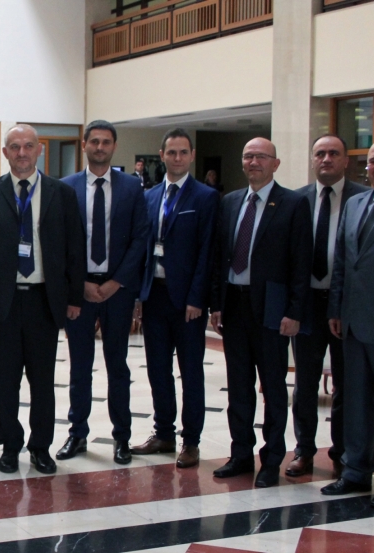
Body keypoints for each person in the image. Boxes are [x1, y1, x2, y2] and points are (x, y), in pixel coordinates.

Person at [0, 124, 85, 474]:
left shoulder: (60, 193)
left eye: (28, 146)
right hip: (4, 302)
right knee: (5, 380)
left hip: (43, 301)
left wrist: (74, 297)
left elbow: (74, 249)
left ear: (39, 151)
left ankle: (40, 447)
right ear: (4, 153)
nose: (22, 153)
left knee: (42, 380)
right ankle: (10, 446)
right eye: (15, 147)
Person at [209, 137, 311, 488]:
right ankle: (241, 454)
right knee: (238, 386)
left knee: (272, 387)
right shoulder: (230, 202)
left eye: (261, 157)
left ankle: (271, 459)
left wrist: (295, 310)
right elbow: (218, 256)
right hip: (234, 305)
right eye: (248, 156)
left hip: (272, 309)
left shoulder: (293, 204)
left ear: (275, 163)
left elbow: (301, 263)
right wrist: (216, 304)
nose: (253, 162)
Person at [58, 120, 149, 465]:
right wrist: (79, 283)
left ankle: (121, 438)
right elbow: (61, 242)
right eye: (94, 141)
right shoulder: (66, 188)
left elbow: (141, 237)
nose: (99, 147)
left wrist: (116, 283)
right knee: (79, 366)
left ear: (114, 146)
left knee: (118, 366)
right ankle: (76, 434)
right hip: (79, 290)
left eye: (106, 142)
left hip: (117, 290)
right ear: (84, 145)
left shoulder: (131, 187)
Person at [131, 128, 219, 469]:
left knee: (191, 372)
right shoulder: (150, 196)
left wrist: (199, 298)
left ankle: (191, 441)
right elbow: (142, 249)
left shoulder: (205, 197)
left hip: (187, 303)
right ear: (162, 154)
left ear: (192, 156)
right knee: (158, 370)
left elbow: (207, 252)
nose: (178, 158)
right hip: (155, 296)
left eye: (184, 152)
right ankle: (163, 432)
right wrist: (140, 294)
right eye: (172, 152)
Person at [288, 135, 366, 479]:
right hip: (306, 306)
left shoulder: (363, 199)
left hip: (345, 309)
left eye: (334, 153)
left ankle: (343, 451)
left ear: (346, 160)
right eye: (320, 153)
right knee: (305, 383)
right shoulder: (297, 200)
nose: (326, 159)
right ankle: (304, 450)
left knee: (346, 384)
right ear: (312, 159)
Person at [321, 139, 374, 503]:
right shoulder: (356, 204)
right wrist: (336, 309)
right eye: (372, 161)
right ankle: (356, 471)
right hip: (354, 323)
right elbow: (343, 264)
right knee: (357, 401)